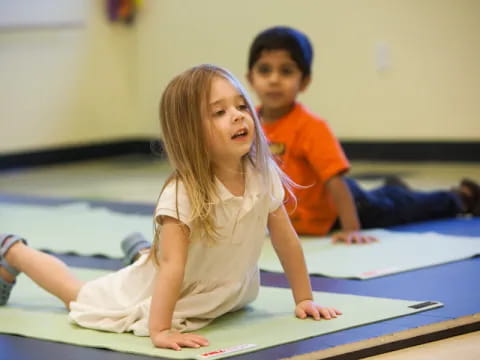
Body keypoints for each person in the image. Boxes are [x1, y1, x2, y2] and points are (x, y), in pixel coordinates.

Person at [0, 64, 341, 351]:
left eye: (241, 106)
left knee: (165, 260)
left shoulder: (261, 175)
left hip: (216, 291)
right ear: (191, 133)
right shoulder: (182, 194)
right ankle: (14, 252)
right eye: (220, 112)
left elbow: (286, 240)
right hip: (171, 284)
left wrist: (304, 299)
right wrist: (160, 330)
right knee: (78, 296)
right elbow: (173, 267)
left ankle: (144, 254)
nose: (238, 117)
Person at [245, 26, 480, 244]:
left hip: (348, 206)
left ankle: (461, 197)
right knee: (392, 199)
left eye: (286, 71)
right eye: (265, 70)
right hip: (304, 216)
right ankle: (395, 190)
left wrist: (351, 228)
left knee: (402, 210)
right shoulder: (247, 125)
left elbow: (335, 181)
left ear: (304, 81)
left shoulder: (310, 127)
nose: (274, 79)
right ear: (250, 79)